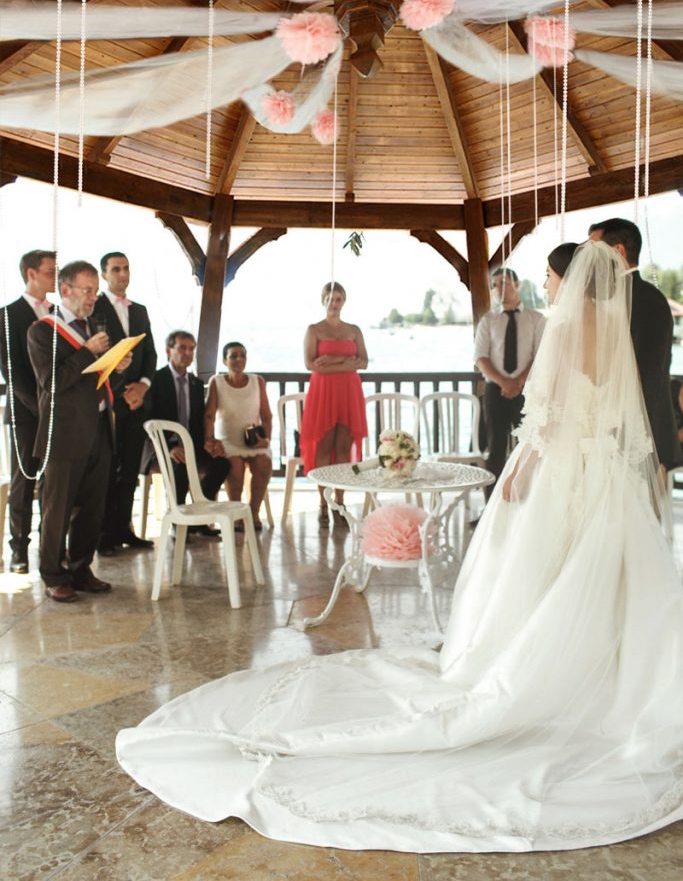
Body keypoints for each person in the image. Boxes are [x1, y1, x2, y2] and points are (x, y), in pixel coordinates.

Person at [117, 241, 683, 850]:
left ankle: (534, 671)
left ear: (569, 282)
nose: (545, 287)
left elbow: (549, 414)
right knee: (603, 579)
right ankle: (610, 678)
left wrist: (521, 471)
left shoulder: (567, 328)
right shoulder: (617, 326)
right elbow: (616, 411)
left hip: (565, 469)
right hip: (608, 476)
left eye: (549, 277)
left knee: (542, 575)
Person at [27, 260, 130, 603]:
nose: (93, 298)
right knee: (57, 509)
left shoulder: (90, 329)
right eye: (87, 291)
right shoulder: (42, 331)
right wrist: (88, 352)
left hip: (99, 427)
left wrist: (116, 364)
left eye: (95, 292)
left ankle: (82, 569)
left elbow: (95, 381)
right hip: (64, 433)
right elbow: (52, 382)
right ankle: (54, 575)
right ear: (65, 290)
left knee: (92, 507)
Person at [588, 217, 682, 470]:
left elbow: (648, 372)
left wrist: (628, 437)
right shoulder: (614, 296)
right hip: (615, 432)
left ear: (618, 250)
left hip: (641, 434)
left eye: (595, 250)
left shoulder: (647, 300)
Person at [94, 251, 157, 555]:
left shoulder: (141, 310)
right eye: (116, 269)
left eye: (126, 268)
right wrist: (122, 392)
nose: (123, 274)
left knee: (131, 469)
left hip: (137, 403)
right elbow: (96, 360)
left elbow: (151, 355)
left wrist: (143, 387)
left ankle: (124, 529)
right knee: (107, 471)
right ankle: (104, 535)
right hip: (108, 404)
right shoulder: (96, 309)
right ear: (104, 274)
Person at [0, 249, 56, 573]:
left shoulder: (59, 313)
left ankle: (51, 547)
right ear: (31, 273)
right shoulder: (7, 315)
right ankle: (19, 551)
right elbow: (12, 370)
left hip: (56, 415)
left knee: (55, 483)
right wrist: (40, 409)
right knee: (25, 481)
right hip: (25, 413)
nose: (55, 276)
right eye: (50, 271)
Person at [141, 330, 230, 517]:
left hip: (192, 445)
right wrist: (170, 447)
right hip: (161, 447)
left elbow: (198, 420)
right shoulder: (155, 380)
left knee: (222, 464)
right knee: (179, 466)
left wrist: (209, 440)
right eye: (182, 348)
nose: (187, 353)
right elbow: (148, 420)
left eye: (191, 349)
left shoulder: (196, 384)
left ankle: (201, 513)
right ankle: (178, 521)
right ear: (168, 350)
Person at [300, 281, 368, 523]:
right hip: (324, 391)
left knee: (343, 447)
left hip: (349, 391)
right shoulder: (314, 329)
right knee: (324, 446)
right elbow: (311, 365)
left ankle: (340, 500)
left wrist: (332, 360)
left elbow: (363, 362)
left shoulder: (354, 329)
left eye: (338, 299)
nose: (334, 303)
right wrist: (344, 362)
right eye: (329, 299)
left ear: (344, 301)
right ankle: (323, 500)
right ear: (323, 301)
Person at [474, 266, 545, 488]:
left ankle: (524, 504)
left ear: (517, 284)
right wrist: (504, 382)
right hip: (496, 391)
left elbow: (541, 355)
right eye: (494, 285)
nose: (498, 289)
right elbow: (480, 358)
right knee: (495, 450)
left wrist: (519, 381)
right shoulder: (488, 320)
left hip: (528, 391)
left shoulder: (536, 319)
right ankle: (490, 510)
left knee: (530, 446)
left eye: (503, 282)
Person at [204, 341, 272, 529]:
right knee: (234, 466)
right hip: (228, 442)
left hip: (253, 442)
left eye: (242, 355)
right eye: (233, 356)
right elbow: (209, 415)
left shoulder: (257, 381)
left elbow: (266, 416)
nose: (239, 359)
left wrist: (265, 440)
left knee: (264, 462)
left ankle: (253, 512)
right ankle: (236, 514)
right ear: (225, 360)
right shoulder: (217, 382)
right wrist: (210, 439)